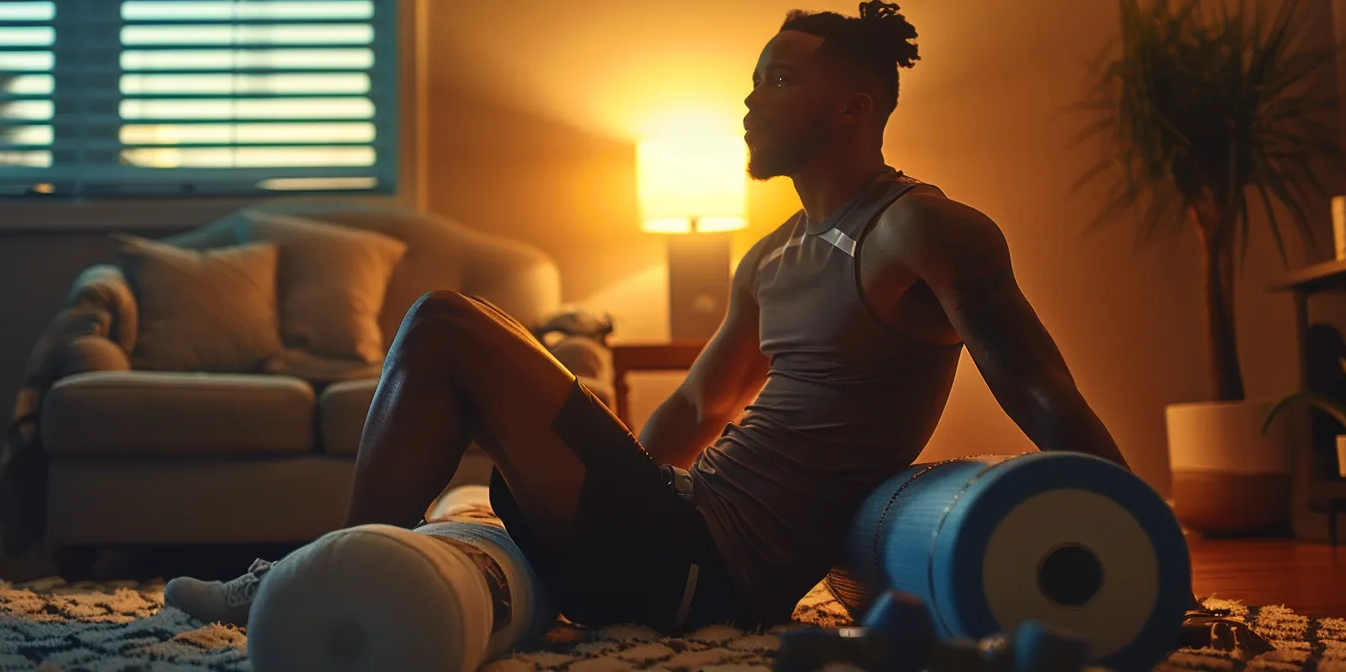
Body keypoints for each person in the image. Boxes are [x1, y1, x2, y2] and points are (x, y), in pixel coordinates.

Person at [164, 0, 1127, 633]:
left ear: (856, 108)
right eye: (752, 81)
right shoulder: (772, 256)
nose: (752, 102)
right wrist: (597, 473)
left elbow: (1041, 387)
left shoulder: (922, 229)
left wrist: (1130, 535)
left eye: (781, 82)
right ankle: (340, 571)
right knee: (471, 343)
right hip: (668, 528)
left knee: (445, 323)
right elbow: (696, 413)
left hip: (713, 572)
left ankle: (310, 582)